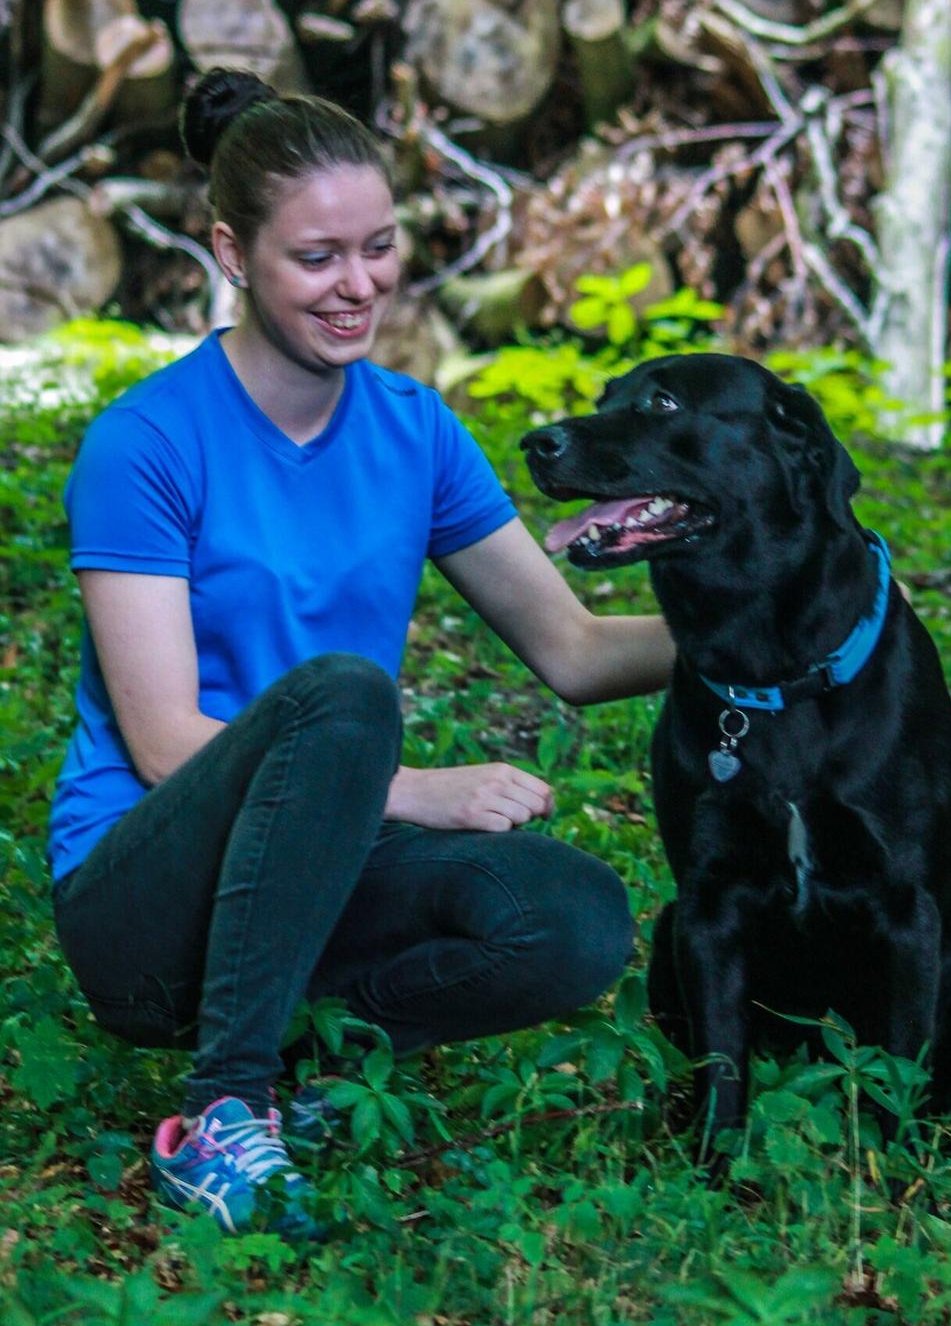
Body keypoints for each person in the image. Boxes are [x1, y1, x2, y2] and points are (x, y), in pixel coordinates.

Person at [48, 69, 675, 1240]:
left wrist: (783, 621)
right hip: (140, 909)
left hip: (307, 878)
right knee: (341, 693)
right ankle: (218, 1114)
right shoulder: (145, 442)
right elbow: (164, 738)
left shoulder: (412, 429)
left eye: (377, 248)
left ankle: (313, 1083)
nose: (359, 286)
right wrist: (414, 792)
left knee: (573, 915)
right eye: (318, 257)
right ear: (232, 251)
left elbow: (575, 648)